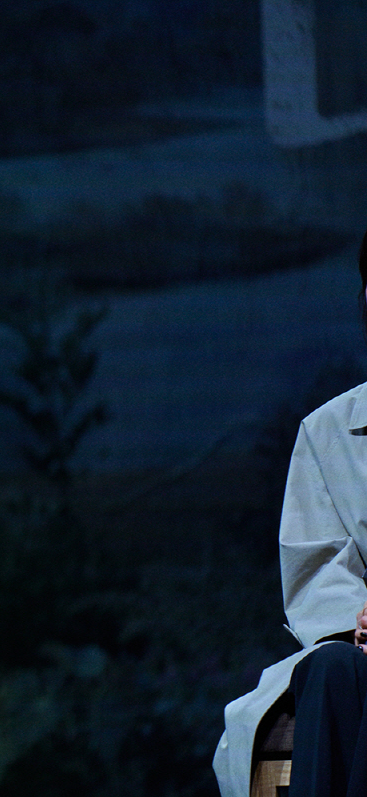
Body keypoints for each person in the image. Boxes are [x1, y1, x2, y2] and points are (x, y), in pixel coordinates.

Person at [214, 231, 367, 797]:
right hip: (362, 642)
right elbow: (319, 570)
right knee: (329, 669)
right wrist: (359, 620)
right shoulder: (327, 430)